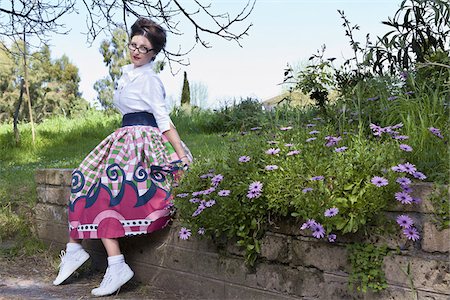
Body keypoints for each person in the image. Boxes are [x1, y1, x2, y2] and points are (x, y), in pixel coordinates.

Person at [53, 17, 192, 297]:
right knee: (84, 178)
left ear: (154, 53)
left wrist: (180, 154)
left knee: (109, 193)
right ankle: (75, 249)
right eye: (134, 44)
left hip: (142, 143)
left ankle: (116, 265)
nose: (137, 51)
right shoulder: (128, 73)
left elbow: (163, 119)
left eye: (144, 48)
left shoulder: (151, 79)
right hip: (122, 138)